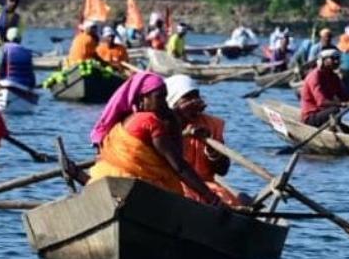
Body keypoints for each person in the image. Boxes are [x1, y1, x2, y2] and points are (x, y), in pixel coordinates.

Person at [87, 71, 223, 205]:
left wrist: (174, 120)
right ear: (142, 99)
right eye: (160, 98)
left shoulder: (123, 121)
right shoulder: (150, 121)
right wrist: (210, 196)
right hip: (133, 186)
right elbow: (178, 166)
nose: (165, 103)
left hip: (106, 183)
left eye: (165, 97)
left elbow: (221, 168)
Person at [165, 75, 242, 205]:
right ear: (174, 101)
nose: (195, 102)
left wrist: (212, 150)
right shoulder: (162, 123)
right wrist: (185, 134)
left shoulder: (210, 125)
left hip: (205, 186)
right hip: (172, 183)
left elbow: (223, 170)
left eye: (196, 97)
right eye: (188, 97)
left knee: (229, 201)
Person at [300, 48, 349, 126]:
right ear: (323, 61)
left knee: (335, 109)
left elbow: (344, 96)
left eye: (338, 59)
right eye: (333, 59)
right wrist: (344, 104)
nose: (337, 61)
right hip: (310, 118)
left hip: (325, 114)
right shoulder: (315, 76)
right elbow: (321, 102)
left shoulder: (334, 77)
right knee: (335, 109)